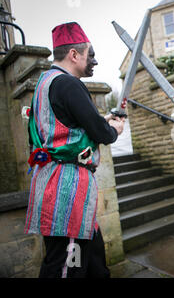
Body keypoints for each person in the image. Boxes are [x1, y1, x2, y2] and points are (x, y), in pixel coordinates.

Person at [24, 22, 125, 278]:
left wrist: (101, 121)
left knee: (93, 258)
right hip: (67, 189)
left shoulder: (44, 83)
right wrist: (115, 129)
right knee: (65, 265)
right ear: (74, 55)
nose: (94, 61)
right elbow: (100, 133)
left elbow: (69, 124)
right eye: (89, 54)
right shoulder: (69, 84)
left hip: (52, 180)